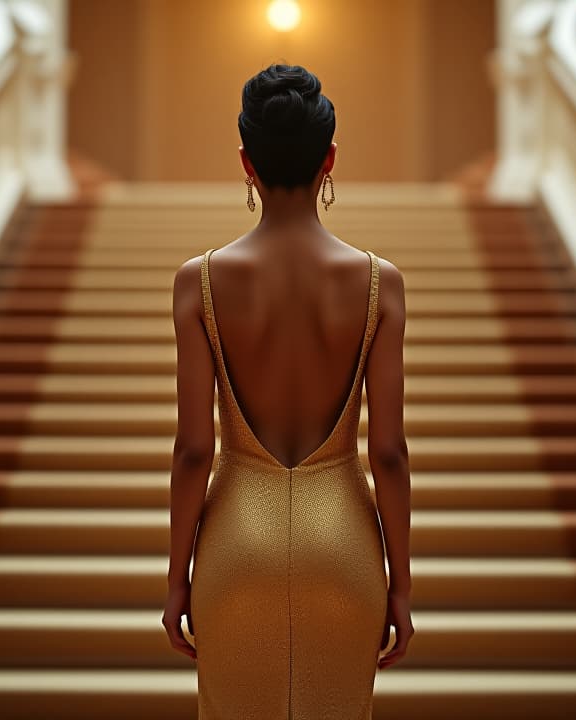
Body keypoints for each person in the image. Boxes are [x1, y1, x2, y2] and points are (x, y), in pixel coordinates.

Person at [162, 63, 413, 720]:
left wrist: (175, 580)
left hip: (236, 543)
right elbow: (388, 451)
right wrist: (402, 586)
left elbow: (194, 448)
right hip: (345, 545)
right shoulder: (381, 283)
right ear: (329, 158)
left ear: (246, 162)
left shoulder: (200, 283)